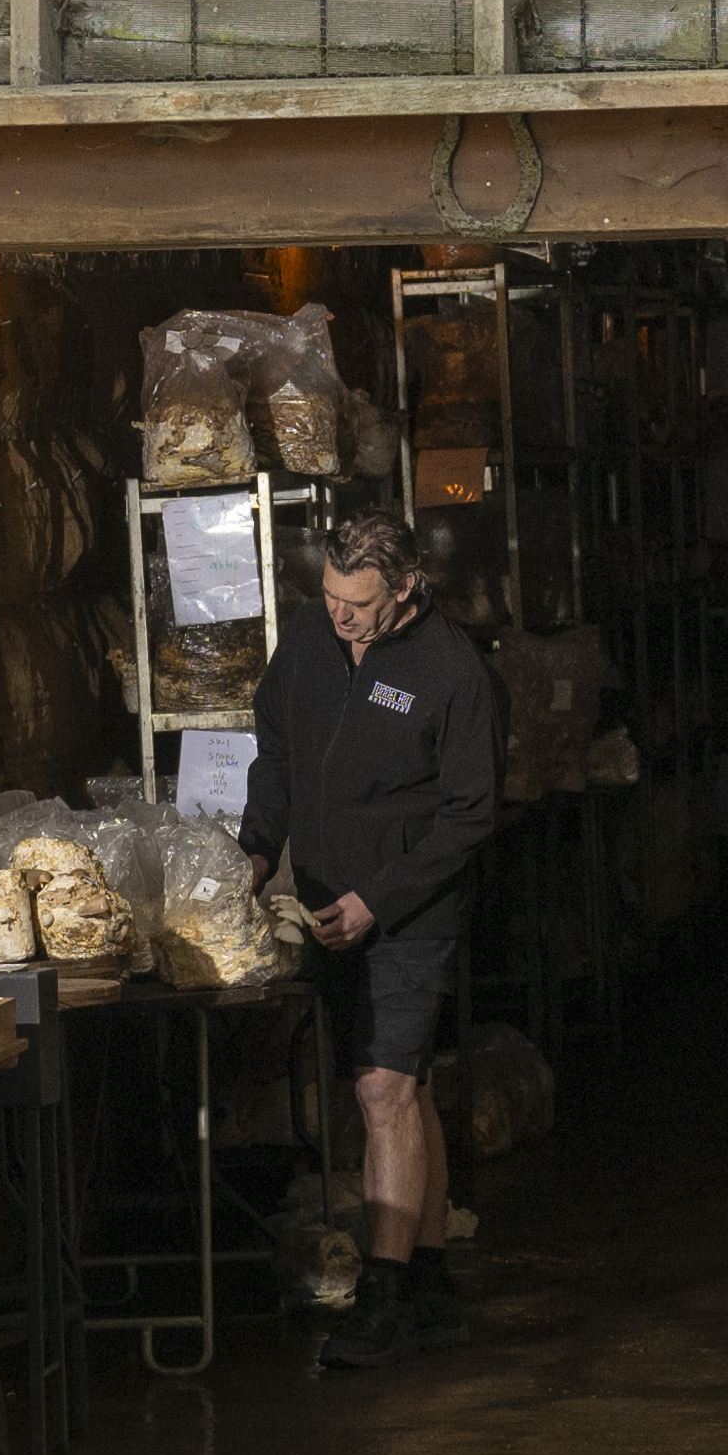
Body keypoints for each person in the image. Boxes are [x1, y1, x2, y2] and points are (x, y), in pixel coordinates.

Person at [237, 501, 499, 1371]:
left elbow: (469, 815)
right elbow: (274, 742)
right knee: (404, 1088)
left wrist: (377, 900)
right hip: (319, 904)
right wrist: (257, 846)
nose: (341, 616)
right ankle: (430, 1285)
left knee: (383, 1090)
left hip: (406, 914)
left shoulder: (448, 670)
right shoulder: (314, 639)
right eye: (331, 596)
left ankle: (382, 1300)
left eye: (359, 603)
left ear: (407, 588)